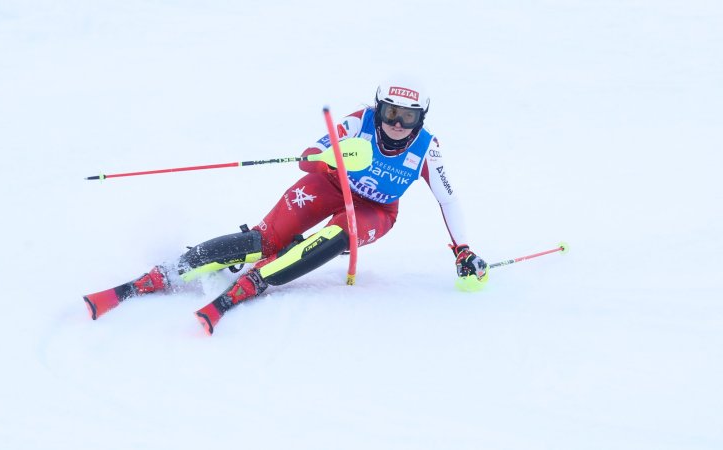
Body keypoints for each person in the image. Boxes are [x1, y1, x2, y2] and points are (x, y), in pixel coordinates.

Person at [83, 82, 488, 335]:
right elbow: (310, 154)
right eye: (391, 114)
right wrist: (327, 159)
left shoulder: (427, 150)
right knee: (263, 239)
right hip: (330, 184)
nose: (397, 125)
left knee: (339, 235)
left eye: (408, 117)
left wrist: (463, 250)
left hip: (376, 211)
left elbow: (448, 199)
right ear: (379, 109)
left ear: (421, 120)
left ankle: (257, 282)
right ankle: (170, 270)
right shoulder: (357, 122)